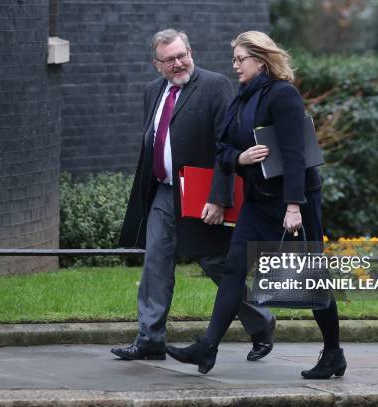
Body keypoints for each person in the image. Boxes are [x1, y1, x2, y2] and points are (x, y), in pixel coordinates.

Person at [166, 31, 346, 379]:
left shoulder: (284, 96)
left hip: (294, 203)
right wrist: (241, 157)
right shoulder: (242, 99)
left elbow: (296, 154)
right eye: (234, 59)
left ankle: (333, 353)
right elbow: (222, 150)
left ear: (260, 61)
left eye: (239, 59)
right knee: (233, 268)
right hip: (258, 201)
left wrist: (294, 205)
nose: (234, 65)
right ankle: (208, 346)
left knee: (308, 279)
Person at [113, 29, 276, 362]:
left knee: (216, 264)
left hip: (201, 196)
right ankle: (150, 338)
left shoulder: (214, 85)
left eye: (182, 55)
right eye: (169, 59)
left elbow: (226, 144)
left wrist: (218, 198)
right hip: (163, 192)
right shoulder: (152, 91)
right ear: (156, 64)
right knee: (156, 263)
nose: (178, 63)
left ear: (191, 51)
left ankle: (261, 322)